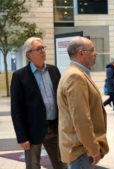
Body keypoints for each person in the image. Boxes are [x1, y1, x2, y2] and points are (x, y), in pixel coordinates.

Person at [10, 37, 66, 169]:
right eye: (38, 49)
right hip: (32, 130)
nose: (43, 51)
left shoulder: (54, 71)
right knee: (33, 166)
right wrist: (21, 137)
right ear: (29, 55)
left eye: (43, 48)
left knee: (62, 164)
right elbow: (16, 109)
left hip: (54, 127)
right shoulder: (20, 76)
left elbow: (61, 99)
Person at [57, 37, 109, 169]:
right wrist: (93, 149)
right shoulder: (76, 77)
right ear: (81, 53)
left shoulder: (75, 73)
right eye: (92, 50)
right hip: (81, 150)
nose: (95, 53)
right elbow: (81, 119)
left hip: (79, 148)